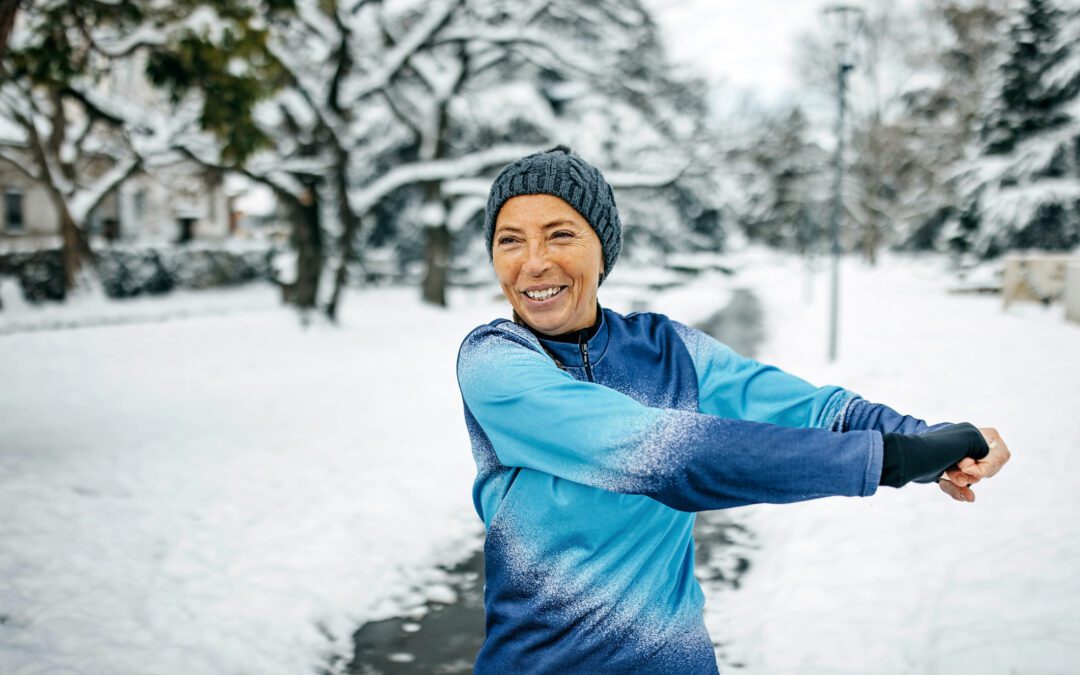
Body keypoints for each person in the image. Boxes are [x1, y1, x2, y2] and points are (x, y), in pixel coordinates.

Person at [455, 146, 1010, 674]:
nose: (533, 263)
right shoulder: (495, 364)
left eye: (560, 235)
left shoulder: (667, 350)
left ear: (603, 248)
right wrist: (891, 458)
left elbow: (810, 409)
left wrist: (935, 440)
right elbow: (662, 454)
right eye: (510, 241)